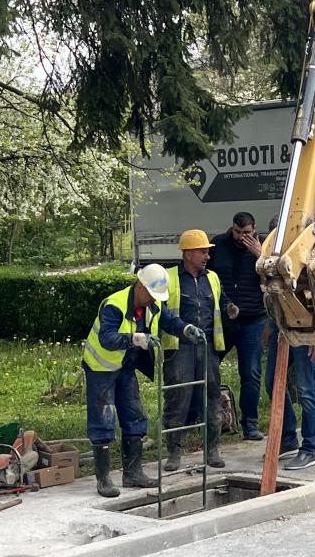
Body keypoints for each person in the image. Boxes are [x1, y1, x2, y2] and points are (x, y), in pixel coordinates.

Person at [82, 263, 201, 497]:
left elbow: (169, 321)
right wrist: (136, 338)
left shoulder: (153, 305)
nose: (153, 300)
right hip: (101, 367)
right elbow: (107, 338)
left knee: (134, 415)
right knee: (103, 419)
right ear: (140, 286)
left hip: (125, 366)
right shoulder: (114, 306)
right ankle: (104, 479)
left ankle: (133, 473)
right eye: (151, 295)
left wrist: (186, 328)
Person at [162, 229, 239, 472]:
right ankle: (174, 452)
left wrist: (229, 308)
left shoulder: (212, 278)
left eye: (207, 251)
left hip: (207, 348)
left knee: (212, 398)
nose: (207, 256)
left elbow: (221, 299)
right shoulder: (170, 278)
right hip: (180, 349)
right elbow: (160, 313)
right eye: (203, 251)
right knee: (178, 399)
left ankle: (212, 450)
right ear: (188, 253)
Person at [260, 219, 315, 470]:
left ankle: (309, 448)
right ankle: (287, 439)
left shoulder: (311, 255)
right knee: (272, 384)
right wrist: (270, 326)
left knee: (307, 390)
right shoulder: (277, 256)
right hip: (282, 326)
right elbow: (274, 295)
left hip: (307, 328)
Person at [209, 212, 269, 440]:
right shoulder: (218, 245)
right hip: (222, 320)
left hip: (253, 319)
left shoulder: (263, 246)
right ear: (231, 228)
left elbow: (275, 274)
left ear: (254, 229)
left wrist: (260, 255)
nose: (241, 237)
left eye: (246, 233)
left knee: (251, 373)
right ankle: (207, 420)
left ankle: (250, 424)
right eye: (237, 231)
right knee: (208, 367)